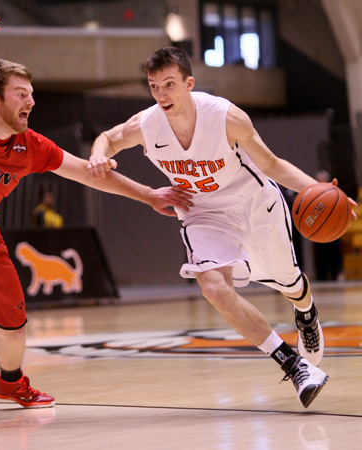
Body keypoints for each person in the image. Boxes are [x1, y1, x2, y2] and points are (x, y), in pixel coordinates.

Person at [89, 46, 357, 408]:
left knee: (288, 280)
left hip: (252, 202)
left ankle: (306, 311)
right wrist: (97, 154)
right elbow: (108, 136)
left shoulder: (227, 117)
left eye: (169, 84)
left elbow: (273, 164)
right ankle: (294, 366)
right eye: (154, 86)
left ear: (189, 83)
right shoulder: (146, 125)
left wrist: (318, 189)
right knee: (213, 287)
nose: (161, 95)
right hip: (201, 212)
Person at [0, 47, 193, 406]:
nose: (31, 101)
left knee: (14, 324)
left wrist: (149, 194)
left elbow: (89, 173)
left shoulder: (29, 146)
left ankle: (9, 382)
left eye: (32, 94)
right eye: (21, 94)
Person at [313, 170, 343, 280]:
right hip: (318, 229)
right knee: (320, 254)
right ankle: (321, 275)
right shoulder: (312, 195)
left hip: (333, 228)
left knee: (334, 253)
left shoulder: (335, 193)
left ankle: (335, 273)